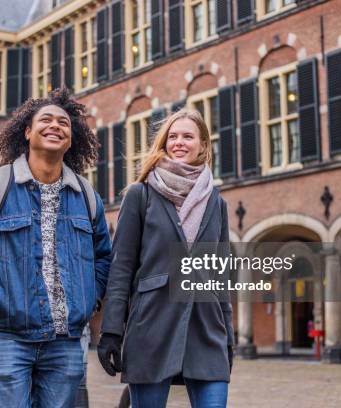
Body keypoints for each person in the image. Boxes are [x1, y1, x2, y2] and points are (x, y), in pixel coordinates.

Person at [0, 88, 111, 408]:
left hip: (67, 340)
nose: (56, 125)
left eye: (64, 122)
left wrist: (90, 298)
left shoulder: (88, 198)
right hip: (10, 336)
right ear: (27, 131)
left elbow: (104, 256)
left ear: (72, 139)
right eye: (45, 119)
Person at [97, 109, 235, 408]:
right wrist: (111, 330)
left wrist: (228, 337)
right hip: (151, 328)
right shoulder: (140, 195)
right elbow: (121, 268)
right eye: (173, 136)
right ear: (163, 143)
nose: (179, 142)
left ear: (203, 146)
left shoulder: (216, 202)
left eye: (188, 136)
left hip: (206, 329)